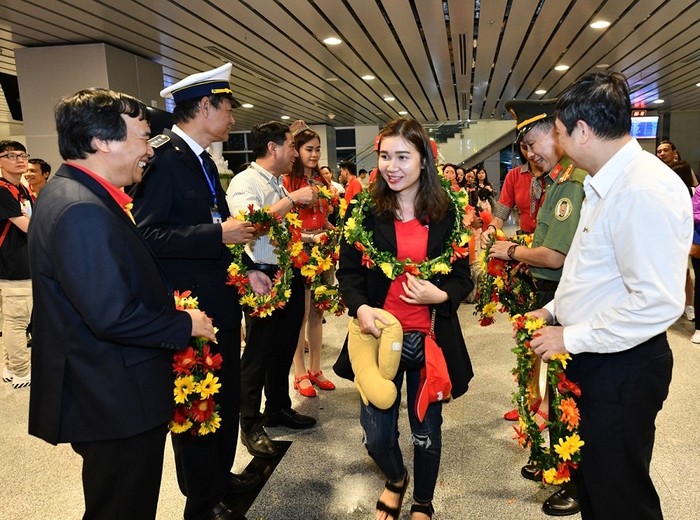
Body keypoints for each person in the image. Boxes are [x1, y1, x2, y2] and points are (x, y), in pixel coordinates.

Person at [27, 87, 216, 519]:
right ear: (102, 141)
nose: (148, 150)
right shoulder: (82, 210)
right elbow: (112, 316)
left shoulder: (75, 195)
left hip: (108, 390)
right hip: (113, 397)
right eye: (142, 136)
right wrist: (184, 324)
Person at [531, 71, 692, 520]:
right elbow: (590, 269)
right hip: (598, 355)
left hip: (623, 367)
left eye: (560, 134)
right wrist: (551, 309)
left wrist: (571, 337)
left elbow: (657, 302)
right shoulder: (606, 181)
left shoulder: (643, 188)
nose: (558, 144)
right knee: (596, 487)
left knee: (620, 496)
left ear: (583, 130)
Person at [130, 63, 256, 520]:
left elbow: (211, 223)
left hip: (219, 296)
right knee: (199, 402)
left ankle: (219, 477)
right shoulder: (164, 160)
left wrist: (245, 271)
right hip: (190, 308)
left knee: (224, 395)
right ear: (204, 107)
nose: (232, 119)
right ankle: (200, 499)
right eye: (227, 108)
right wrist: (217, 236)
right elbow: (148, 236)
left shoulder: (202, 160)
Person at [336, 118, 474, 520]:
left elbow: (463, 277)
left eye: (402, 157)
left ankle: (423, 502)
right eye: (384, 156)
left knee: (427, 432)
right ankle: (396, 478)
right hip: (376, 339)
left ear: (424, 160)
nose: (391, 166)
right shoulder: (364, 212)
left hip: (430, 338)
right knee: (377, 435)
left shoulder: (448, 213)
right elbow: (349, 273)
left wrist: (441, 293)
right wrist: (360, 308)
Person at [489, 98, 587, 517]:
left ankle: (574, 481)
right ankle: (555, 464)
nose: (530, 154)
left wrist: (510, 250)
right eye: (524, 148)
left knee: (569, 394)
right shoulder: (557, 178)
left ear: (558, 131)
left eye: (534, 142)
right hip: (552, 299)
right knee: (548, 384)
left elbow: (555, 256)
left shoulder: (572, 181)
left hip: (566, 300)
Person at [227, 121, 317, 460]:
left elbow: (279, 230)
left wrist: (310, 238)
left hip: (286, 272)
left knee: (282, 347)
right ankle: (249, 423)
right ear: (273, 148)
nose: (295, 153)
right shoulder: (244, 182)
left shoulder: (275, 182)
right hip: (260, 276)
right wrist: (292, 200)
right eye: (292, 146)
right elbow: (247, 225)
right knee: (258, 354)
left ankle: (277, 408)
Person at [282, 121, 335, 398]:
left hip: (323, 251)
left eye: (317, 149)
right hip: (299, 251)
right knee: (299, 315)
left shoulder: (321, 180)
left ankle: (316, 368)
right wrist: (310, 238)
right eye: (308, 149)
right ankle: (299, 371)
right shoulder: (288, 182)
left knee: (318, 311)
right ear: (297, 150)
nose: (314, 155)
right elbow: (286, 226)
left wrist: (329, 228)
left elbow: (323, 216)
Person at [0, 140, 33, 389]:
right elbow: (26, 226)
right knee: (17, 320)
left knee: (15, 318)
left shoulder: (19, 188)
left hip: (24, 261)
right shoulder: (2, 190)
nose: (19, 159)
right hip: (14, 264)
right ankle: (21, 371)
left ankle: (11, 366)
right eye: (11, 155)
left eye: (22, 155)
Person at [483, 141, 545, 239]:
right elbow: (500, 214)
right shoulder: (514, 175)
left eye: (533, 146)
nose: (530, 154)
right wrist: (492, 228)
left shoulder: (559, 173)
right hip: (526, 239)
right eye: (524, 147)